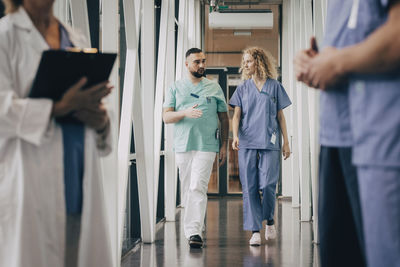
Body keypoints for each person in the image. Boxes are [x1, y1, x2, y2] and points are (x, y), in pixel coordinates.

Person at [0, 1, 114, 267]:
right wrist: (57, 108)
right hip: (30, 180)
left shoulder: (76, 38)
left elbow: (95, 98)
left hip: (77, 180)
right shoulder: (6, 36)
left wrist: (102, 120)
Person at [295, 1, 400, 266]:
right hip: (336, 133)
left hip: (381, 136)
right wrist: (315, 62)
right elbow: (359, 36)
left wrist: (339, 62)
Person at [163, 47, 229, 248]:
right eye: (197, 62)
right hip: (183, 145)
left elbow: (224, 118)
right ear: (187, 64)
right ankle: (194, 226)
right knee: (187, 187)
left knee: (197, 186)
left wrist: (224, 145)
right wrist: (184, 113)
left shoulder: (214, 88)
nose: (201, 65)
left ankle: (194, 232)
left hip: (207, 145)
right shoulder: (175, 88)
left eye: (203, 61)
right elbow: (166, 117)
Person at [229, 47, 291, 246]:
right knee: (250, 187)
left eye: (248, 61)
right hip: (247, 141)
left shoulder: (275, 86)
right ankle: (255, 230)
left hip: (269, 141)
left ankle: (270, 221)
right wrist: (235, 136)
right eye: (244, 62)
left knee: (268, 184)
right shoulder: (242, 88)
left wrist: (286, 142)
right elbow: (236, 115)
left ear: (259, 62)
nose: (245, 65)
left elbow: (280, 116)